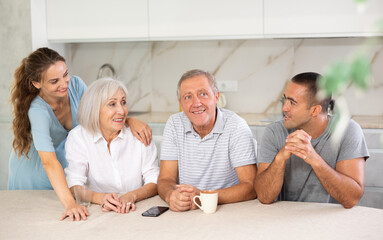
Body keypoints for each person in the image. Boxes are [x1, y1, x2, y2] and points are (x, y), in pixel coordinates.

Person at [8, 47, 152, 221]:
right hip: (37, 167)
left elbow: (98, 111)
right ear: (37, 83)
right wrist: (70, 204)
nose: (64, 84)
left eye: (65, 74)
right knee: (40, 217)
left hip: (61, 162)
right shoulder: (38, 111)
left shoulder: (75, 85)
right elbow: (49, 162)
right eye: (54, 81)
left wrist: (129, 120)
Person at [254, 72, 369, 208]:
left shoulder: (347, 130)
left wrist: (314, 158)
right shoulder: (274, 132)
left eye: (292, 102)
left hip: (331, 220)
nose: (284, 107)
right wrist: (280, 158)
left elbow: (351, 199)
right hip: (284, 218)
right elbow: (264, 197)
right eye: (285, 100)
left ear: (315, 110)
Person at [157, 69, 257, 212]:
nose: (196, 103)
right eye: (188, 97)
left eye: (203, 94)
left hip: (230, 211)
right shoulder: (174, 124)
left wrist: (204, 197)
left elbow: (250, 186)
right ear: (181, 103)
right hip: (186, 212)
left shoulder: (236, 126)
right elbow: (165, 179)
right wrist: (170, 196)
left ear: (216, 97)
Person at [65, 79, 159, 215]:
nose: (121, 110)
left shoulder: (139, 134)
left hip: (137, 211)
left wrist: (132, 195)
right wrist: (101, 198)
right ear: (94, 109)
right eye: (112, 104)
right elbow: (74, 185)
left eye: (123, 102)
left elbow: (154, 180)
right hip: (97, 212)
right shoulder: (78, 137)